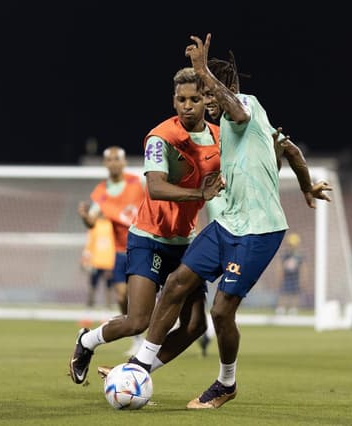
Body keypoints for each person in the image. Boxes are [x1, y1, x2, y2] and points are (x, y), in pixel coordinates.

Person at [128, 33, 332, 409]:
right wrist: (306, 185)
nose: (204, 102)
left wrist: (204, 70)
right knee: (176, 283)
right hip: (228, 226)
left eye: (207, 93)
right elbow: (289, 147)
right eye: (200, 95)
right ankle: (139, 364)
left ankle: (226, 383)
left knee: (221, 312)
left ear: (223, 89)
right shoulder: (221, 133)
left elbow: (238, 109)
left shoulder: (247, 107)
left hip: (259, 230)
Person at [68, 67, 225, 385]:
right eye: (181, 99)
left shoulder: (220, 140)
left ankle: (138, 371)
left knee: (195, 325)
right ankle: (87, 341)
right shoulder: (161, 137)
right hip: (149, 238)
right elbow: (155, 186)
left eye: (195, 99)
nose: (187, 105)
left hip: (185, 243)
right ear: (174, 101)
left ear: (205, 100)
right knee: (138, 320)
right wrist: (200, 193)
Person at [76, 146, 146, 352]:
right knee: (122, 296)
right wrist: (84, 216)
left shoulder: (138, 182)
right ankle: (137, 337)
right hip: (120, 251)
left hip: (144, 245)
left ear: (124, 162)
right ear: (105, 164)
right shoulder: (101, 192)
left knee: (150, 295)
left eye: (117, 159)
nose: (114, 163)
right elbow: (92, 221)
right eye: (110, 159)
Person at [80, 217, 115, 311]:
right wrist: (85, 259)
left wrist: (114, 261)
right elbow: (89, 244)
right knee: (93, 284)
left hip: (109, 262)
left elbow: (115, 244)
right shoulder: (94, 224)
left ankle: (108, 307)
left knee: (109, 286)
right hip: (95, 262)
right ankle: (90, 305)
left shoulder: (112, 224)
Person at [275, 232, 306, 315]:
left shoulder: (299, 256)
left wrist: (303, 279)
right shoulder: (284, 254)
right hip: (286, 278)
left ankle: (293, 309)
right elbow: (280, 267)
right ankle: (281, 309)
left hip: (295, 278)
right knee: (283, 294)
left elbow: (303, 269)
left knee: (295, 294)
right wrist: (279, 278)